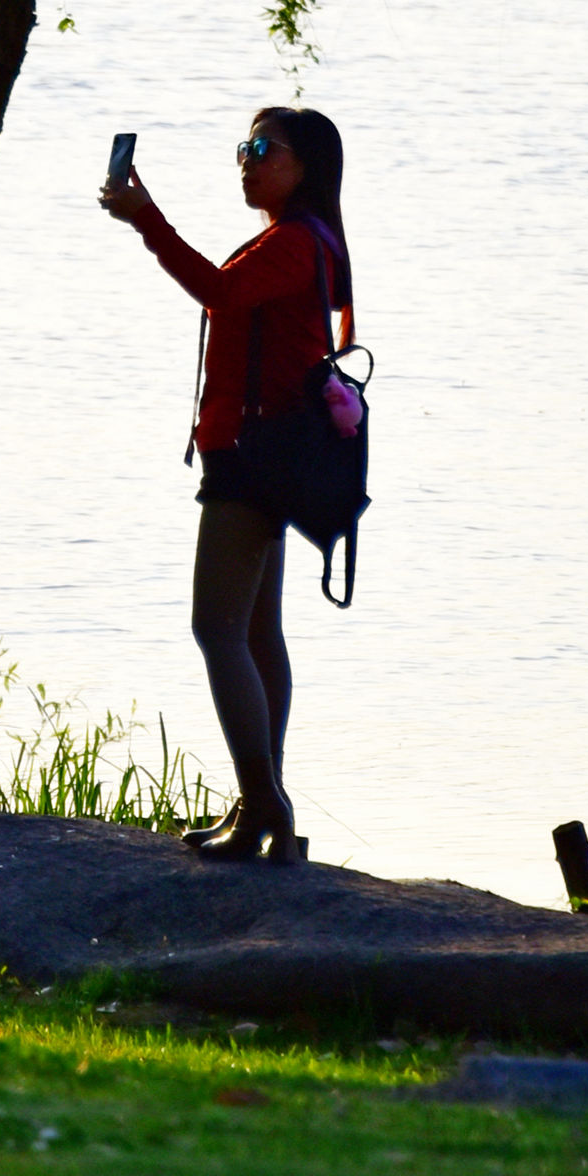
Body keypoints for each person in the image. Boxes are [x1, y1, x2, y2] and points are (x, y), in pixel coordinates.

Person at [99, 106, 352, 865]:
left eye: (264, 149)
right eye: (243, 147)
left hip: (252, 460)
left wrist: (149, 221)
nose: (247, 160)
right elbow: (235, 299)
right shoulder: (302, 240)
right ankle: (260, 806)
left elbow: (214, 288)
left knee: (217, 630)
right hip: (265, 454)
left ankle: (266, 803)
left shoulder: (293, 244)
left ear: (302, 165)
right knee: (254, 633)